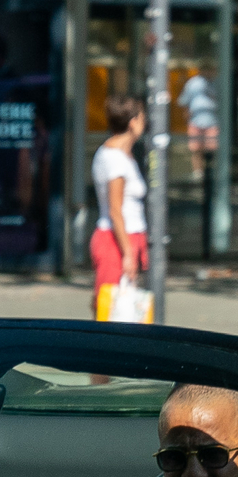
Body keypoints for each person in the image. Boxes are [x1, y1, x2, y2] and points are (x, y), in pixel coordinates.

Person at [91, 95, 149, 321]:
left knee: (121, 308)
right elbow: (116, 210)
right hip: (116, 241)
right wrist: (127, 253)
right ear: (133, 122)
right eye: (142, 117)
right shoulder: (115, 159)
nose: (144, 123)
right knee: (109, 309)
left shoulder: (125, 155)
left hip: (128, 237)